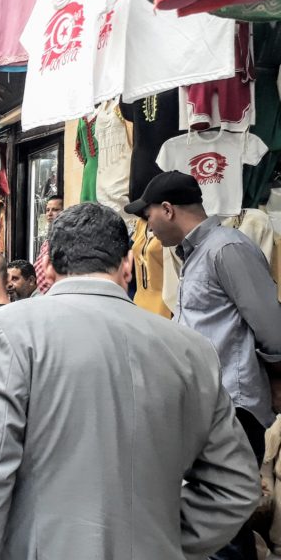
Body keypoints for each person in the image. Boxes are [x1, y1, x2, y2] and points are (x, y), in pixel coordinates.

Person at [0, 202, 261, 560]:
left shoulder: (3, 332)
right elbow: (235, 486)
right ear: (127, 265)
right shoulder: (192, 349)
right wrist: (162, 538)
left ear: (47, 268)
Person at [125, 170, 281, 560]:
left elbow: (273, 330)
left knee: (224, 522)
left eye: (148, 218)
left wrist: (276, 384)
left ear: (167, 209)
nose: (147, 229)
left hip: (235, 406)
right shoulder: (197, 254)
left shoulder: (226, 249)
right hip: (211, 404)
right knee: (218, 523)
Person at [33, 195, 64, 294]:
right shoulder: (47, 241)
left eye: (55, 210)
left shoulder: (64, 238)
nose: (50, 214)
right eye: (47, 210)